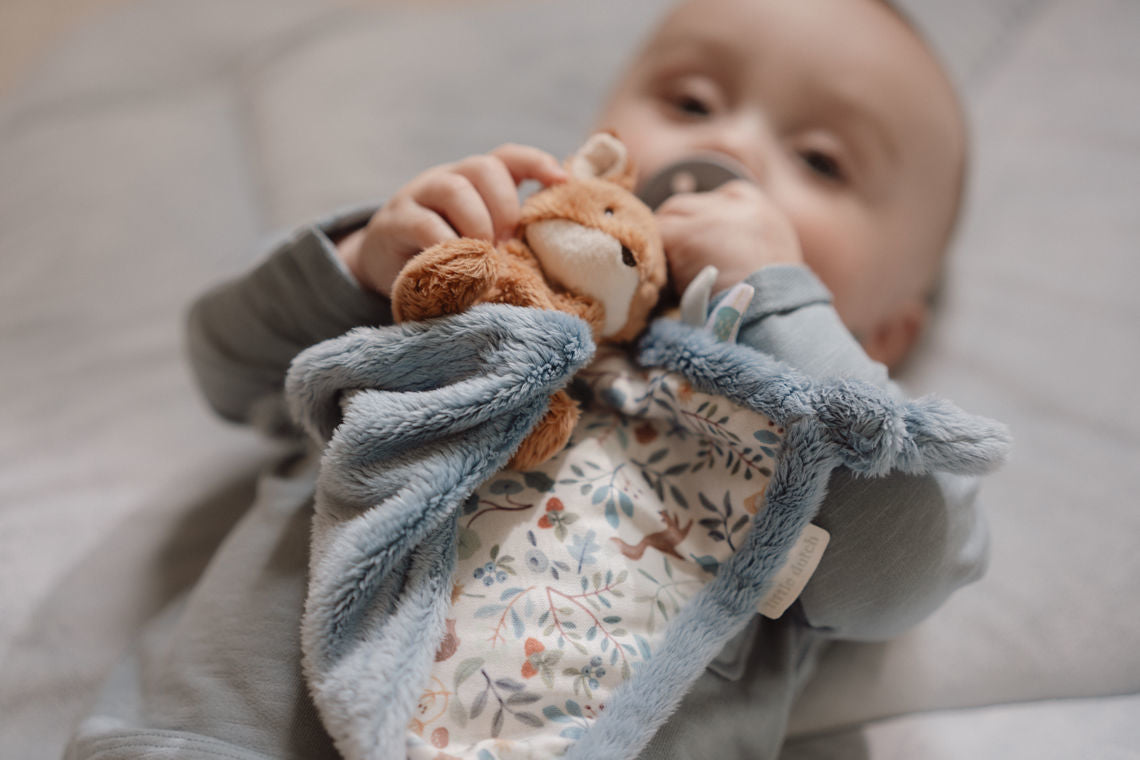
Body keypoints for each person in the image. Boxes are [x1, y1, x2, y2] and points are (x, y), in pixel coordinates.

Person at [67, 1, 986, 759]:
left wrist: (784, 308)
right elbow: (228, 366)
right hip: (224, 734)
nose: (730, 148)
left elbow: (897, 576)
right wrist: (363, 263)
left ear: (887, 330)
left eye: (822, 161)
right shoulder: (475, 267)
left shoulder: (836, 440)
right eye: (691, 99)